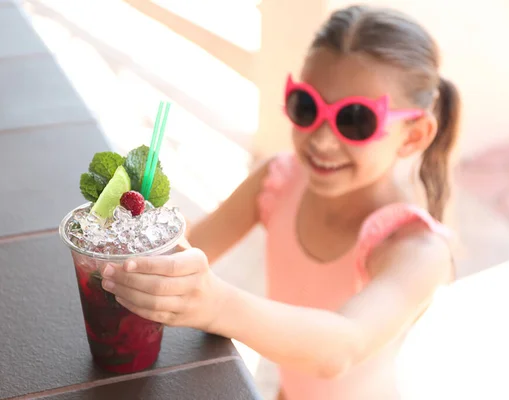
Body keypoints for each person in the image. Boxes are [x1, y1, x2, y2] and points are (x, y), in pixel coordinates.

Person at [99, 5, 461, 399]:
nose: (322, 140)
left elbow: (341, 347)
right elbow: (196, 243)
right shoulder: (279, 179)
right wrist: (141, 225)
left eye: (355, 120)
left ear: (413, 136)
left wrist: (215, 305)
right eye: (306, 106)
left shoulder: (419, 250)